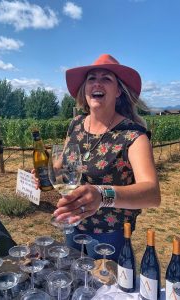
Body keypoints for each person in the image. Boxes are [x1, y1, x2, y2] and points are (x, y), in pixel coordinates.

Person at [52, 54, 161, 261]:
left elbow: (152, 194)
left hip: (109, 235)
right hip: (72, 224)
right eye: (91, 78)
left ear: (118, 91)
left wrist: (102, 195)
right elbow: (62, 165)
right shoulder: (75, 124)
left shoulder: (133, 136)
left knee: (105, 291)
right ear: (85, 89)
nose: (97, 83)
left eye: (106, 79)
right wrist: (45, 174)